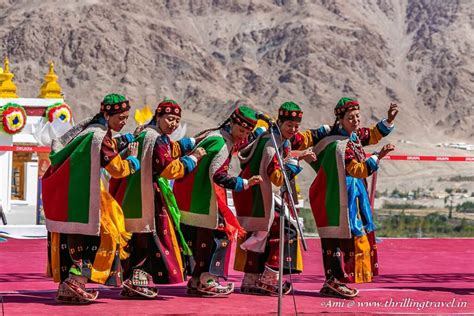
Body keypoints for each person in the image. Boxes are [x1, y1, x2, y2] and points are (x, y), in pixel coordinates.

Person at [43, 93, 140, 303]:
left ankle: (68, 285)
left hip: (72, 196)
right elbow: (116, 169)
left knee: (74, 239)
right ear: (107, 114)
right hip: (87, 198)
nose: (124, 122)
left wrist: (122, 140)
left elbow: (102, 150)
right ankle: (75, 282)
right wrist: (132, 161)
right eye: (121, 118)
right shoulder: (100, 136)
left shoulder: (90, 131)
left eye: (126, 117)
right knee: (103, 235)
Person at [110, 98, 206, 298]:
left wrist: (189, 143)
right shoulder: (157, 138)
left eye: (177, 121)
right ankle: (138, 280)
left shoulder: (147, 133)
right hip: (149, 196)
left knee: (138, 237)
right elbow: (170, 168)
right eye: (170, 119)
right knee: (152, 238)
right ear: (159, 116)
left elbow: (168, 151)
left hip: (134, 195)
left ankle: (132, 281)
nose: (174, 124)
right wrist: (194, 157)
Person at [233, 101, 330, 295]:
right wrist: (296, 160)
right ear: (280, 122)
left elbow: (303, 138)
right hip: (258, 194)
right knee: (286, 229)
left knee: (259, 235)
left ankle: (251, 279)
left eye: (296, 126)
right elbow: (277, 177)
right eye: (289, 125)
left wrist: (324, 130)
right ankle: (269, 278)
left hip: (252, 194)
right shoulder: (272, 145)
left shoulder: (275, 137)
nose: (293, 130)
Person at [309, 97, 398, 299]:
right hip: (339, 195)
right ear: (340, 120)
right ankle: (334, 281)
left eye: (357, 116)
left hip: (351, 195)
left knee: (345, 235)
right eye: (351, 117)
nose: (356, 120)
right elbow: (358, 170)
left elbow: (374, 134)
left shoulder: (354, 137)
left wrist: (389, 120)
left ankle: (335, 281)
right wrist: (378, 157)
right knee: (338, 236)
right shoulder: (339, 144)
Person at [173, 105, 263, 297]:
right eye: (241, 131)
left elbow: (241, 145)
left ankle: (196, 280)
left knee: (200, 239)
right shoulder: (222, 144)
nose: (242, 136)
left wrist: (261, 131)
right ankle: (208, 279)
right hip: (205, 200)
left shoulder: (215, 135)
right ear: (232, 124)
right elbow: (218, 176)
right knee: (219, 237)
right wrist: (245, 182)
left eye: (247, 132)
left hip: (190, 197)